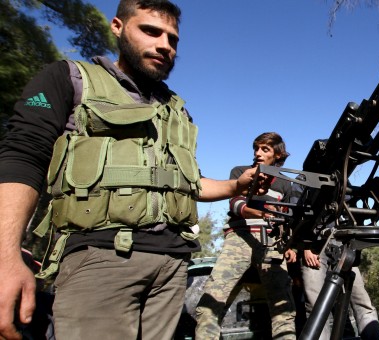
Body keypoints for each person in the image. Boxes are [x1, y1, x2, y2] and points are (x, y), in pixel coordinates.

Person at [0, 1, 268, 339]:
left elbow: (188, 184)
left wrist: (235, 186)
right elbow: (23, 155)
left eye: (173, 39)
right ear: (117, 26)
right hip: (101, 259)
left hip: (172, 270)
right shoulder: (69, 78)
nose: (164, 45)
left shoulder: (178, 111)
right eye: (151, 31)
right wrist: (5, 254)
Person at [195, 132, 298, 339]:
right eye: (256, 148)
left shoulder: (286, 183)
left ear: (277, 155)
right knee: (209, 306)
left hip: (271, 242)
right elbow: (236, 204)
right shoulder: (241, 172)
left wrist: (291, 246)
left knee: (284, 311)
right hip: (239, 238)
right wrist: (260, 212)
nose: (258, 153)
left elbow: (288, 218)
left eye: (265, 149)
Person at [301, 241, 379, 340]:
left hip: (344, 246)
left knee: (362, 303)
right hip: (314, 249)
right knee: (316, 310)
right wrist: (306, 247)